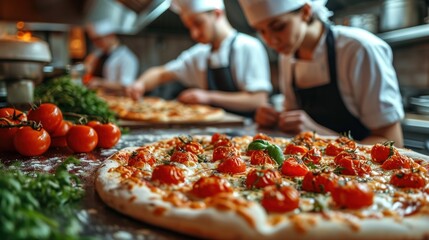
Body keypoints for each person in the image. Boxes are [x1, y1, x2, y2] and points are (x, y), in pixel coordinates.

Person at [238, 0, 404, 146]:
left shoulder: (359, 49)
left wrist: (320, 135)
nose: (271, 41)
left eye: (279, 27)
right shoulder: (287, 56)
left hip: (364, 174)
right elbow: (293, 126)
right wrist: (276, 120)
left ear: (305, 12)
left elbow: (392, 142)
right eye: (261, 31)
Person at [126, 0, 272, 117]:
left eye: (198, 23)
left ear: (217, 14)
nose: (194, 34)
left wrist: (208, 97)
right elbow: (160, 73)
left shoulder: (247, 46)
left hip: (246, 134)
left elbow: (258, 99)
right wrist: (140, 84)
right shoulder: (199, 54)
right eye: (189, 27)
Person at [84, 19, 139, 94]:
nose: (95, 44)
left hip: (118, 100)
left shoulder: (127, 58)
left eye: (98, 39)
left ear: (111, 35)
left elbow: (126, 85)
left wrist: (100, 82)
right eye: (93, 40)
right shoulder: (98, 54)